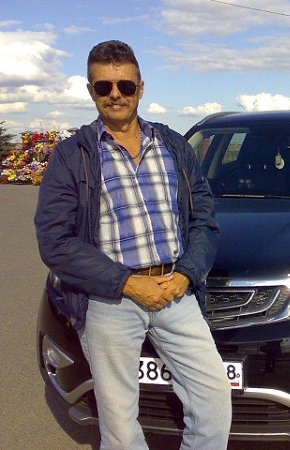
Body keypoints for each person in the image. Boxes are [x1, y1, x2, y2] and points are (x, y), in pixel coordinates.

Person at [34, 40, 231, 450]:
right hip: (111, 300)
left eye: (124, 85)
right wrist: (126, 283)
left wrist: (187, 274)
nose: (115, 95)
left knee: (213, 396)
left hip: (175, 291)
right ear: (91, 91)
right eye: (103, 87)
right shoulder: (73, 156)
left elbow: (203, 218)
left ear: (140, 88)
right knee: (120, 425)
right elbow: (55, 240)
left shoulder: (174, 146)